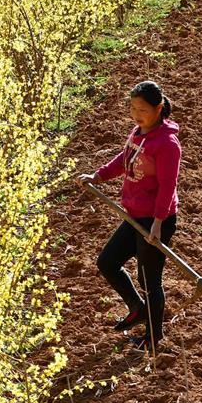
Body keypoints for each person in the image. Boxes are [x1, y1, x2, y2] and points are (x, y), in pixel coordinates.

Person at [77, 80, 181, 351]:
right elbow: (124, 159)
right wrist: (98, 176)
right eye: (133, 108)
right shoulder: (138, 133)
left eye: (143, 109)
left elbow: (168, 187)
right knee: (108, 262)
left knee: (149, 280)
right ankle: (137, 307)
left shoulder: (167, 144)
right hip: (134, 216)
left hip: (156, 220)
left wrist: (158, 223)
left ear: (159, 109)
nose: (137, 114)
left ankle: (153, 338)